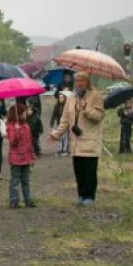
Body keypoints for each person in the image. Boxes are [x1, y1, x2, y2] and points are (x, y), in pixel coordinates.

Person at [50, 72, 104, 206]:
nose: (79, 84)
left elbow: (98, 117)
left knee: (89, 171)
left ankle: (89, 197)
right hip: (76, 142)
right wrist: (56, 134)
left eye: (82, 81)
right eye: (77, 81)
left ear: (88, 82)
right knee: (78, 170)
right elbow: (65, 120)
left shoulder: (96, 96)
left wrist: (86, 108)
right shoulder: (71, 98)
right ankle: (81, 195)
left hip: (90, 140)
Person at [6, 103, 36, 209]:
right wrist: (16, 131)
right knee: (15, 180)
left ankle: (28, 200)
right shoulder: (11, 126)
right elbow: (13, 142)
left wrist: (32, 156)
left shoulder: (26, 126)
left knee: (25, 180)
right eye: (24, 112)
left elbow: (29, 142)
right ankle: (14, 200)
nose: (26, 114)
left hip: (26, 158)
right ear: (18, 114)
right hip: (16, 158)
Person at [50, 91, 70, 156]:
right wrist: (52, 122)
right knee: (59, 136)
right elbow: (54, 114)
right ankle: (59, 149)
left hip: (66, 124)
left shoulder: (67, 106)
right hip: (59, 123)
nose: (60, 99)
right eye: (59, 98)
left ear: (65, 99)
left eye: (62, 98)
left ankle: (65, 149)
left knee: (65, 137)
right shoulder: (57, 106)